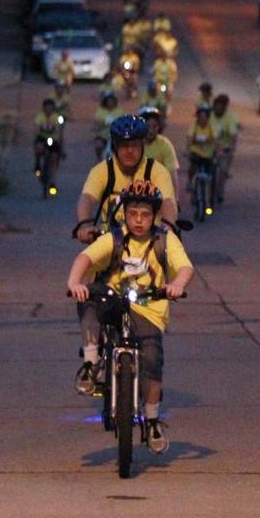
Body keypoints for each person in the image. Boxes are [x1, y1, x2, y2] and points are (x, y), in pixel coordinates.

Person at [68, 180, 193, 454]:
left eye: (146, 215)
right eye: (133, 213)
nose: (139, 220)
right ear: (124, 213)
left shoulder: (164, 240)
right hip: (115, 301)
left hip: (149, 309)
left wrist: (177, 285)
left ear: (155, 216)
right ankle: (91, 363)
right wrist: (75, 282)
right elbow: (84, 259)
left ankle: (151, 420)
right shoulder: (113, 238)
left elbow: (184, 267)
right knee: (88, 300)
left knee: (152, 359)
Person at [75, 115, 178, 243]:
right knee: (83, 262)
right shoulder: (102, 170)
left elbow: (168, 202)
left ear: (142, 146)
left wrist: (168, 227)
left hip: (149, 245)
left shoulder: (157, 171)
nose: (130, 151)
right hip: (110, 245)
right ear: (115, 147)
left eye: (135, 145)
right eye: (124, 145)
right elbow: (86, 199)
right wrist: (84, 225)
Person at [140, 106, 180, 194]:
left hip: (158, 191)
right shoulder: (133, 145)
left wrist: (175, 201)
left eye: (154, 126)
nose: (150, 131)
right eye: (147, 126)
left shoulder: (165, 144)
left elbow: (172, 174)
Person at [209, 94, 239, 203]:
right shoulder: (209, 115)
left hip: (224, 150)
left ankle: (220, 192)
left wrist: (232, 148)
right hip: (209, 148)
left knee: (222, 170)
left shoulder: (230, 118)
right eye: (217, 106)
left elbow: (233, 135)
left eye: (221, 107)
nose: (218, 109)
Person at [186, 104, 218, 192]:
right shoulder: (194, 126)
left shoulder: (211, 127)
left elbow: (215, 139)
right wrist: (188, 150)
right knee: (193, 165)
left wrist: (217, 150)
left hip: (208, 154)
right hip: (196, 152)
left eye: (204, 117)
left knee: (211, 168)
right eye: (200, 117)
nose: (202, 119)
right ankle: (190, 181)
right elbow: (189, 139)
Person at [33, 98, 65, 186]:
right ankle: (38, 162)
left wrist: (61, 144)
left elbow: (59, 131)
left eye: (50, 108)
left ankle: (52, 181)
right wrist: (38, 130)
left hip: (53, 139)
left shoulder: (57, 117)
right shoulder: (40, 116)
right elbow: (36, 128)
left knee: (53, 159)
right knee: (39, 148)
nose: (48, 110)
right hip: (42, 138)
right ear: (43, 108)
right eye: (46, 108)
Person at [92, 94, 125, 161]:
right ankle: (98, 159)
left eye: (112, 101)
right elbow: (96, 123)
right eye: (109, 101)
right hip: (103, 135)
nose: (110, 103)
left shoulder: (119, 111)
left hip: (116, 135)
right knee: (98, 146)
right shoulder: (100, 111)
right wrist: (102, 123)